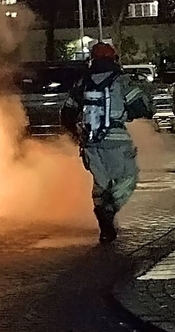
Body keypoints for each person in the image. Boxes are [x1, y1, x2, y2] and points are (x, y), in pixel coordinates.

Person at [62, 42, 153, 243]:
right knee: (127, 177)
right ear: (114, 59)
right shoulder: (121, 81)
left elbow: (67, 113)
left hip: (90, 142)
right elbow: (141, 107)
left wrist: (77, 135)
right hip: (116, 140)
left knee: (100, 183)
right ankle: (109, 209)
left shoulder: (82, 83)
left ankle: (105, 227)